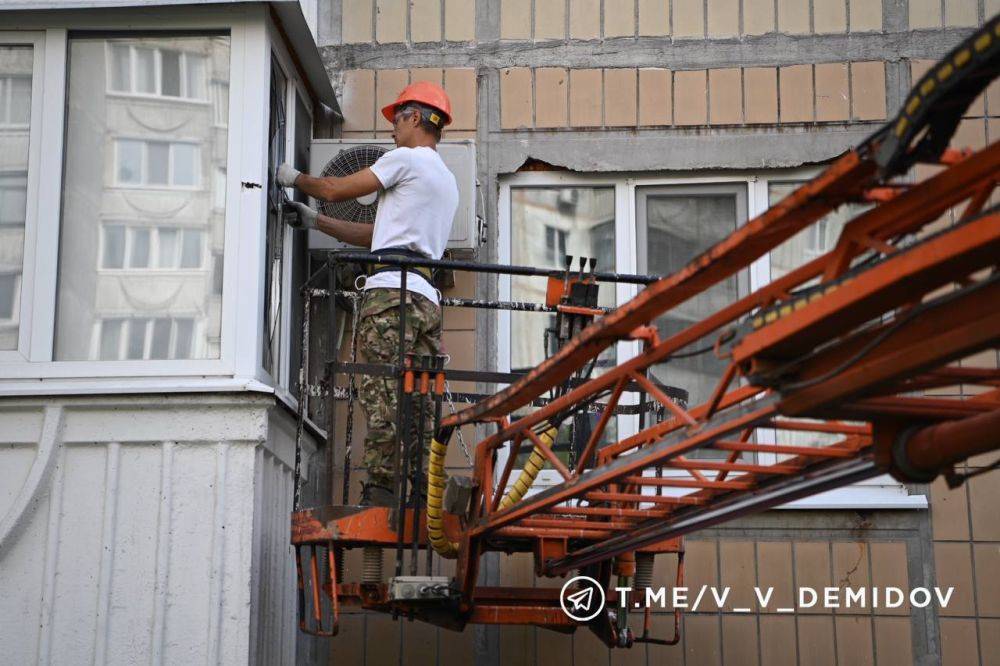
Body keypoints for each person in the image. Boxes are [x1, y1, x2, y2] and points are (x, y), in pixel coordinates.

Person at [275, 81, 458, 506]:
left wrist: (290, 176)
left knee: (382, 396)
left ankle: (380, 492)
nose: (392, 128)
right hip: (426, 301)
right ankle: (422, 494)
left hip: (388, 297)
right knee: (421, 403)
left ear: (415, 117)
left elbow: (336, 190)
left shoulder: (405, 159)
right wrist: (315, 222)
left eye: (397, 117)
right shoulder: (446, 180)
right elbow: (378, 234)